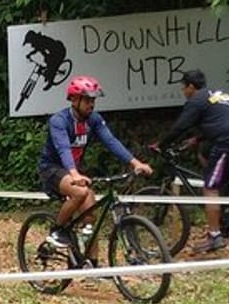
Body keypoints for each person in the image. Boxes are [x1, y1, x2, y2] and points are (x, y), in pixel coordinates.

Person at [37, 75, 153, 252]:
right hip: (52, 169)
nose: (91, 104)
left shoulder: (94, 120)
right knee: (80, 192)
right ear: (74, 99)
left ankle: (93, 264)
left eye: (93, 100)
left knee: (90, 216)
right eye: (87, 100)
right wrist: (74, 174)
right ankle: (57, 231)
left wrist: (135, 163)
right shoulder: (59, 121)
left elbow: (111, 142)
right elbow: (63, 148)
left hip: (74, 171)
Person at [161, 68, 229, 253]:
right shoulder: (218, 95)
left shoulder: (196, 100)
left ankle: (215, 235)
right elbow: (220, 122)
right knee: (205, 154)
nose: (183, 92)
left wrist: (161, 144)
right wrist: (196, 139)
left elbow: (180, 127)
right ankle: (226, 202)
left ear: (191, 86)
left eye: (184, 88)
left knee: (210, 187)